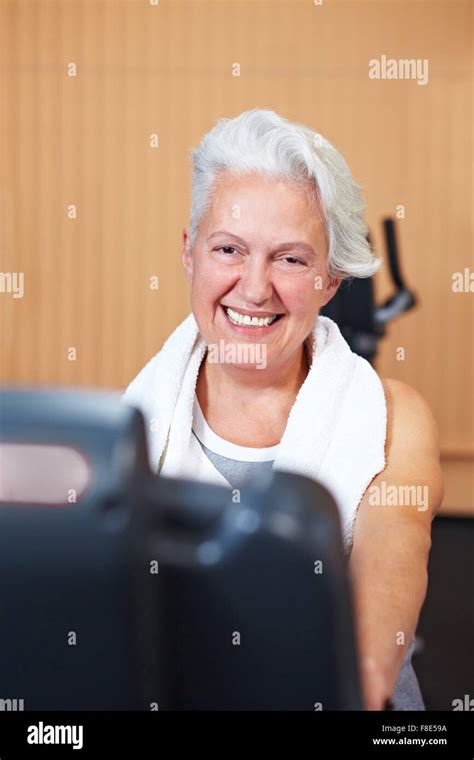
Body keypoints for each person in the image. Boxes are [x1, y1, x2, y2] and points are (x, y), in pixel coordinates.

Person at [123, 108, 443, 710]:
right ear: (189, 253)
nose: (253, 287)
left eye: (290, 259)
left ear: (330, 280)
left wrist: (357, 690)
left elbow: (393, 551)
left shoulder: (394, 417)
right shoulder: (133, 424)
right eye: (229, 249)